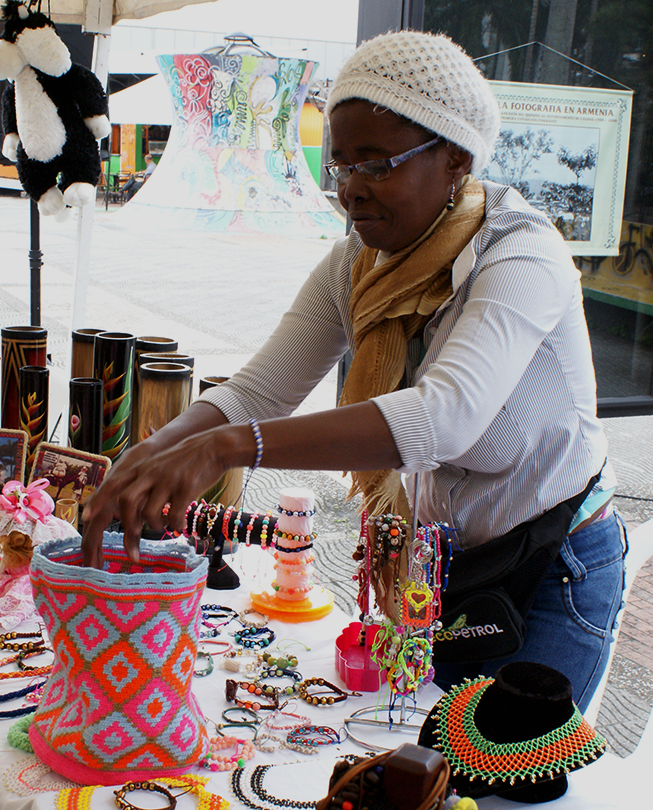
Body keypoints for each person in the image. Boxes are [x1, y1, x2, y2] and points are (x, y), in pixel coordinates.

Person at [81, 30, 625, 711]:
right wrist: (150, 455)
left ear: (455, 157)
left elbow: (442, 418)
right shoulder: (357, 264)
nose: (350, 191)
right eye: (339, 166)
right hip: (449, 565)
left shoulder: (521, 256)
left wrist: (225, 447)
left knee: (504, 771)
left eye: (376, 164)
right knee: (423, 755)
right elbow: (260, 389)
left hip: (556, 566)